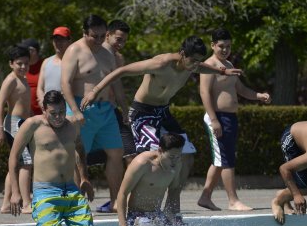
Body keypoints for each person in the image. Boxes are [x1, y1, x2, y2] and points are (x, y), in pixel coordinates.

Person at [81, 35, 242, 212]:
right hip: (143, 113)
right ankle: (134, 202)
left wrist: (222, 72)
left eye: (198, 61)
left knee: (186, 154)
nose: (195, 65)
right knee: (151, 158)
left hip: (163, 112)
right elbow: (122, 71)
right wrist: (95, 91)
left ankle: (172, 205)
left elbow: (202, 67)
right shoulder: (161, 63)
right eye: (193, 61)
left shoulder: (193, 65)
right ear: (182, 54)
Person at [8, 90, 104, 226]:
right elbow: (13, 158)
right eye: (54, 113)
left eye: (61, 112)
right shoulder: (32, 125)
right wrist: (15, 192)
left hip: (72, 192)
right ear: (44, 109)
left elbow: (81, 150)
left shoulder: (72, 125)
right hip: (46, 194)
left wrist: (84, 178)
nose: (59, 117)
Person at [197, 28, 271, 211]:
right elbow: (204, 93)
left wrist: (259, 95)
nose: (225, 50)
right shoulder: (209, 65)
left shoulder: (229, 65)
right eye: (221, 46)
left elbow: (241, 89)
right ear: (213, 45)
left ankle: (205, 197)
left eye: (228, 46)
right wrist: (214, 120)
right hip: (218, 117)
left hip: (229, 117)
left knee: (220, 160)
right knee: (227, 159)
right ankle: (233, 201)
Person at [61, 14, 124, 212]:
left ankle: (115, 201)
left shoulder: (108, 53)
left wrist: (125, 108)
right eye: (93, 36)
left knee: (116, 153)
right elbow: (65, 84)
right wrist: (75, 110)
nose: (97, 40)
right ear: (84, 33)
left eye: (101, 36)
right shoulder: (74, 51)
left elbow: (117, 82)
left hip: (106, 110)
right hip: (83, 108)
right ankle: (77, 203)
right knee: (79, 155)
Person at [117, 133, 187, 226]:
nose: (175, 161)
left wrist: (174, 218)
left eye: (178, 156)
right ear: (160, 151)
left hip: (157, 215)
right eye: (171, 157)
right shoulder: (142, 164)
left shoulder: (177, 163)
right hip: (137, 217)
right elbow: (122, 193)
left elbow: (173, 191)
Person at [0, 46, 32, 213]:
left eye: (26, 63)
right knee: (26, 163)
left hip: (23, 123)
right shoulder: (10, 80)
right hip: (13, 123)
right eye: (19, 64)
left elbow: (26, 106)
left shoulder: (24, 79)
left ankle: (6, 204)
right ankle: (25, 202)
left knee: (15, 163)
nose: (23, 67)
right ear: (11, 64)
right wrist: (0, 128)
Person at [36, 26, 72, 108]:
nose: (58, 43)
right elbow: (40, 88)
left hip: (67, 109)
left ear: (69, 41)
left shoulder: (74, 62)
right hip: (48, 109)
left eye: (61, 39)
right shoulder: (46, 62)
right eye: (55, 39)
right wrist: (42, 101)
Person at [18, 38, 43, 116]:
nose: (24, 52)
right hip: (24, 114)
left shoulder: (45, 64)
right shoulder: (21, 67)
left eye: (27, 49)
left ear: (35, 51)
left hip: (44, 113)